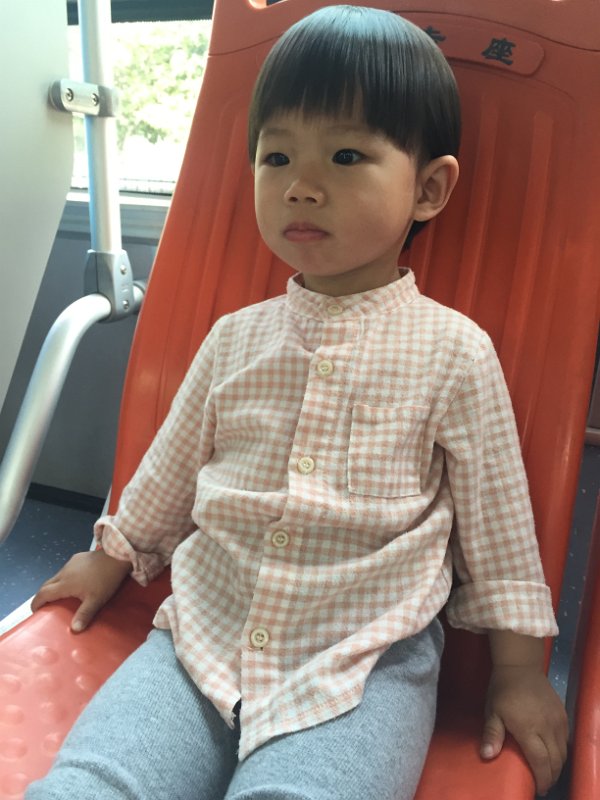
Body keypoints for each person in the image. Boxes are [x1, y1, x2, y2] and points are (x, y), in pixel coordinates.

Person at [26, 6, 568, 800]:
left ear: (428, 188)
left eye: (346, 156)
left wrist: (519, 672)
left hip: (362, 668)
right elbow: (168, 472)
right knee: (91, 784)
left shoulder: (455, 353)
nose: (301, 186)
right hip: (199, 643)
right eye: (276, 156)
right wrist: (109, 558)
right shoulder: (234, 339)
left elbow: (500, 527)